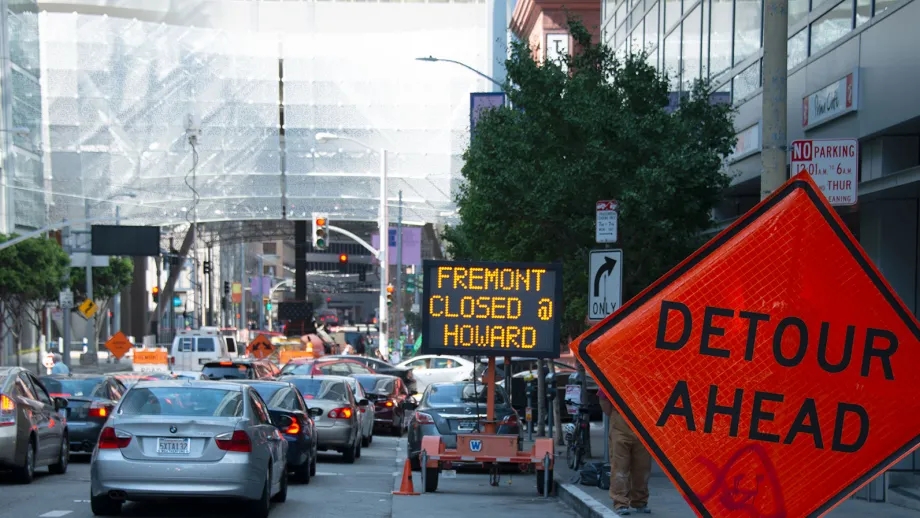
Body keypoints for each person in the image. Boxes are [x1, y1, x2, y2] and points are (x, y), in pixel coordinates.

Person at [599, 389, 651, 515]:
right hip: (621, 427)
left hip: (641, 427)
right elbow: (604, 398)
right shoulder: (615, 377)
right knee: (620, 468)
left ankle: (639, 501)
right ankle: (620, 502)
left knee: (642, 468)